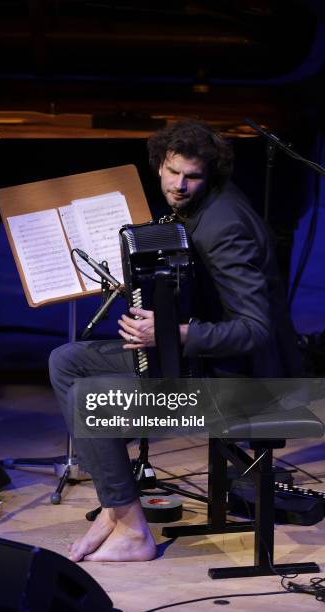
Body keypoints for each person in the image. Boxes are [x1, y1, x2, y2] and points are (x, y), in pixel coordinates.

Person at [48, 120, 302, 562]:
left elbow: (255, 329)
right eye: (172, 172)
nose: (180, 185)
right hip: (205, 365)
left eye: (192, 176)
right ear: (159, 166)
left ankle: (131, 530)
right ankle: (118, 507)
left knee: (91, 400)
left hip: (246, 388)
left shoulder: (225, 227)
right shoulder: (198, 210)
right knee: (67, 361)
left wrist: (168, 332)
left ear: (210, 176)